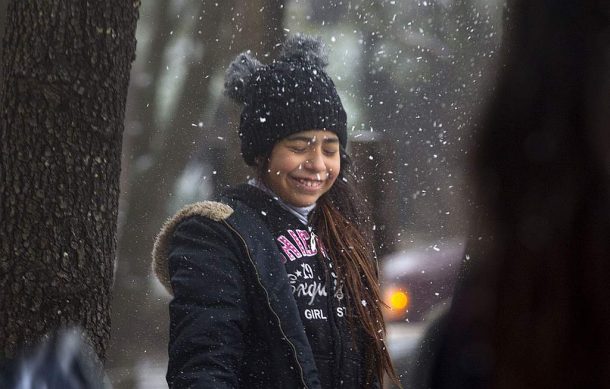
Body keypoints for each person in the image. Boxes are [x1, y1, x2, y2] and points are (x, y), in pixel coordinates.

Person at [152, 35, 400, 388]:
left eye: (330, 149)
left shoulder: (342, 229)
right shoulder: (217, 233)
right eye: (299, 147)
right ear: (261, 152)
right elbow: (204, 364)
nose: (317, 164)